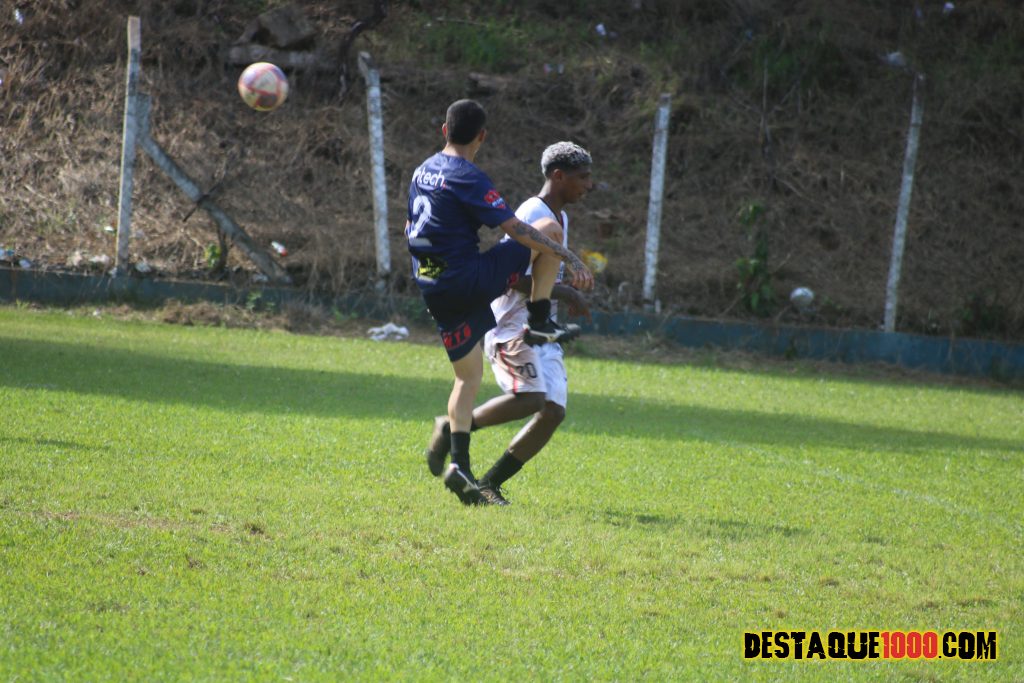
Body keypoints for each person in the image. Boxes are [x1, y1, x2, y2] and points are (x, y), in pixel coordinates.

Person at [407, 100, 594, 506]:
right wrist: (569, 258)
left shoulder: (422, 170)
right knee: (547, 233)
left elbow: (411, 227)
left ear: (444, 130)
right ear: (482, 136)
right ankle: (540, 320)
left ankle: (461, 468)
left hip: (433, 286)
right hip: (469, 280)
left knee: (467, 379)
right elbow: (514, 227)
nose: (589, 184)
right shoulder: (468, 176)